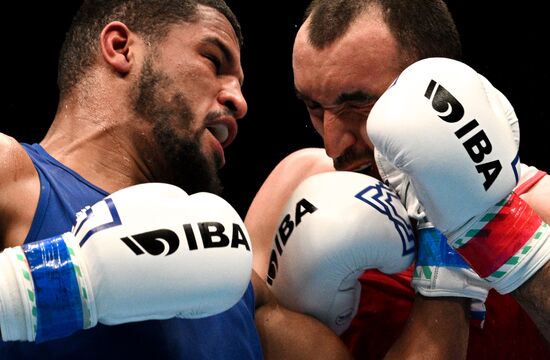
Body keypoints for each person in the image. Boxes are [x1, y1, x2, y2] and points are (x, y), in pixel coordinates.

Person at [0, 1, 353, 359]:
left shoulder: (233, 279)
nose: (240, 101)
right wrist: (53, 285)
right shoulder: (10, 172)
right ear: (121, 48)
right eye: (214, 60)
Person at [245, 0, 550, 359]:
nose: (333, 144)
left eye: (357, 105)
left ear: (432, 89)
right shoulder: (295, 183)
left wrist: (496, 232)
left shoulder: (540, 207)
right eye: (314, 108)